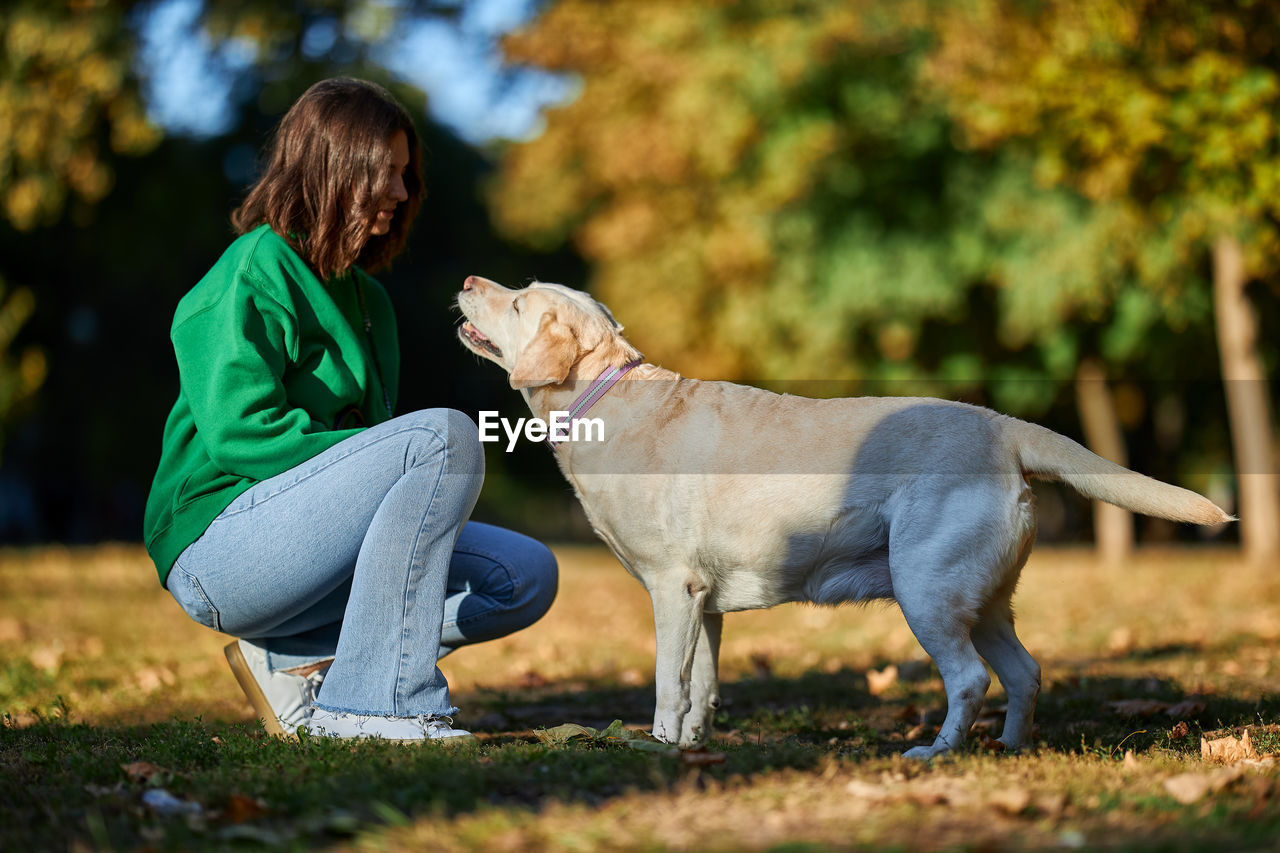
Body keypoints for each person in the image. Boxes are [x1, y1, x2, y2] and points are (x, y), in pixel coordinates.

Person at [143, 77, 557, 743]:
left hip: (311, 544)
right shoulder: (252, 271)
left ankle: (305, 663)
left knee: (526, 576)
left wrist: (385, 460)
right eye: (385, 173)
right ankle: (376, 703)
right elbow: (241, 436)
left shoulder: (370, 302)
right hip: (219, 547)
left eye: (404, 174)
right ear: (332, 169)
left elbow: (373, 463)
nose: (400, 191)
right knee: (444, 435)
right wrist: (388, 455)